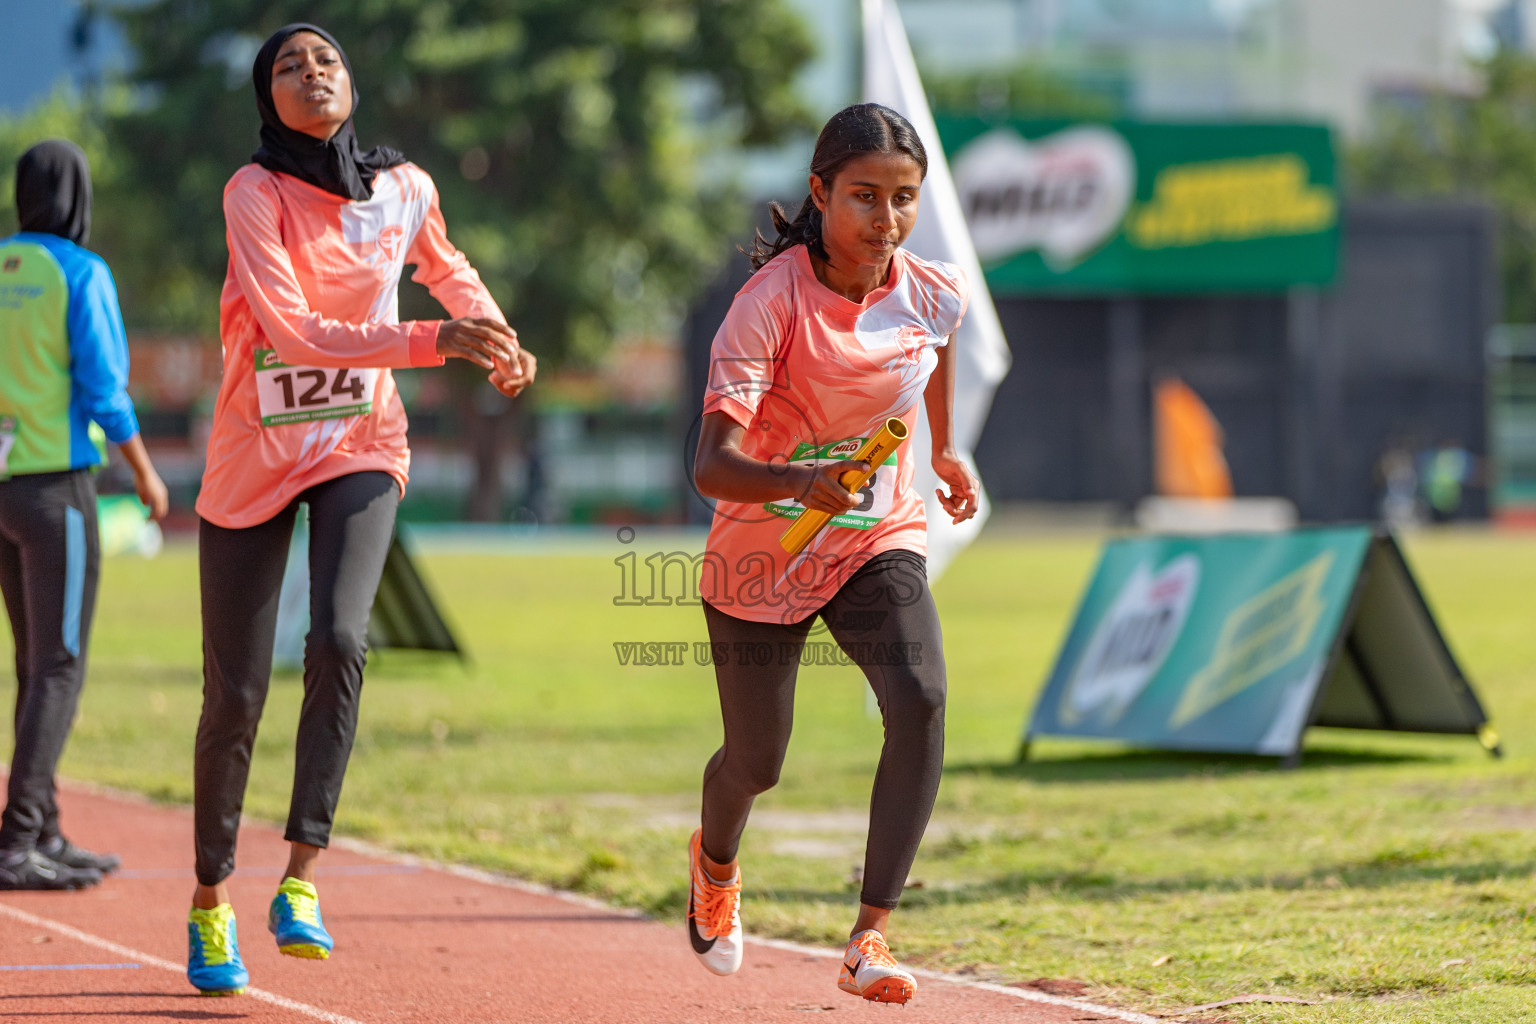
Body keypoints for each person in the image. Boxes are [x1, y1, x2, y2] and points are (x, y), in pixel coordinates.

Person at [185, 24, 535, 996]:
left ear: (352, 82)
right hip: (253, 458)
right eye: (289, 66)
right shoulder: (252, 195)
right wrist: (435, 342)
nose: (313, 72)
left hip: (360, 442)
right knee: (236, 696)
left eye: (326, 59)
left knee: (341, 636)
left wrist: (497, 333)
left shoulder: (404, 186)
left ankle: (300, 878)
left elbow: (447, 266)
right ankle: (211, 897)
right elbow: (294, 330)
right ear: (268, 100)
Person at [687, 103, 978, 1006]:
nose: (884, 222)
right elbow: (710, 467)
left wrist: (945, 448)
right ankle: (714, 867)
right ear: (819, 193)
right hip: (760, 553)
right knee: (756, 763)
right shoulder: (766, 306)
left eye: (903, 200)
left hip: (874, 539)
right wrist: (797, 484)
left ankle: (869, 937)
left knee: (921, 696)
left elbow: (937, 351)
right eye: (863, 197)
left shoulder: (933, 290)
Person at [0, 139, 169, 891]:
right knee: (58, 667)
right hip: (56, 491)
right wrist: (146, 474)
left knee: (32, 665)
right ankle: (16, 843)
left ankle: (46, 829)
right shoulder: (79, 271)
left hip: (1, 490)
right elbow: (105, 390)